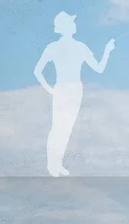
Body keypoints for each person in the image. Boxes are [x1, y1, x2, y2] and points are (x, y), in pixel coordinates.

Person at [34, 11, 115, 177]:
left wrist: (107, 51)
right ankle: (52, 165)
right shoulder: (54, 47)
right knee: (58, 127)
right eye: (72, 22)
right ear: (65, 27)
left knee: (67, 128)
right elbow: (37, 71)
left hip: (76, 90)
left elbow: (98, 68)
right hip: (63, 89)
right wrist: (50, 90)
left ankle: (58, 164)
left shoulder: (80, 47)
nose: (75, 24)